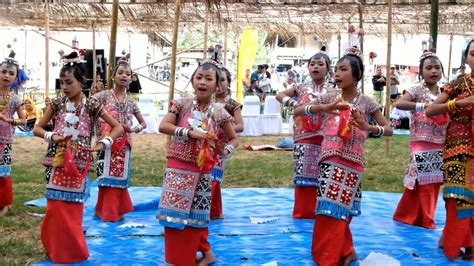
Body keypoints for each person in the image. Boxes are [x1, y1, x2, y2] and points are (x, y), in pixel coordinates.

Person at [295, 47, 393, 265]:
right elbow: (297, 111)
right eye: (336, 70)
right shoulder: (330, 97)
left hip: (354, 161)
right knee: (328, 208)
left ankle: (346, 251)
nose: (337, 74)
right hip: (329, 157)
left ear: (356, 75)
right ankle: (327, 256)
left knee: (342, 211)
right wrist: (326, 106)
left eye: (343, 69)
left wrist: (368, 127)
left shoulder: (367, 102)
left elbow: (390, 128)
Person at [33, 51, 123, 264]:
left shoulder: (92, 105)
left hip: (80, 163)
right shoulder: (56, 104)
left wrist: (103, 143)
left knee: (73, 210)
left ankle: (71, 251)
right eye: (62, 82)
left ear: (82, 82)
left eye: (69, 82)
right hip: (56, 160)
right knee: (55, 208)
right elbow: (36, 128)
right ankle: (54, 246)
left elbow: (117, 127)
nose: (64, 87)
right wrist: (52, 136)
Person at [157, 62, 239, 265]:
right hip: (177, 166)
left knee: (197, 217)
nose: (202, 82)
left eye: (208, 79)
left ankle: (203, 253)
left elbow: (234, 138)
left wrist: (225, 151)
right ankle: (181, 257)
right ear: (193, 80)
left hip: (202, 170)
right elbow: (163, 126)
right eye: (199, 77)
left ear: (218, 86)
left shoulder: (220, 112)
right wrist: (190, 133)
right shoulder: (181, 103)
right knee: (173, 216)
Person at [425, 39, 474, 261]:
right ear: (467, 58)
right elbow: (431, 110)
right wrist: (458, 104)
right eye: (473, 53)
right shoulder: (459, 83)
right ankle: (460, 242)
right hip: (457, 146)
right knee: (456, 195)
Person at [392, 51, 447, 229]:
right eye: (429, 68)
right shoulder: (416, 89)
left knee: (434, 181)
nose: (433, 71)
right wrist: (423, 106)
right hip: (421, 141)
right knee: (422, 180)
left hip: (440, 140)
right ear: (421, 72)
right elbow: (399, 103)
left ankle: (410, 215)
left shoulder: (445, 91)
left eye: (437, 68)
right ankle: (425, 219)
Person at [276, 48, 333, 219]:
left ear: (328, 68)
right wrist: (291, 102)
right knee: (303, 172)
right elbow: (280, 94)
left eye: (320, 64)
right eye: (312, 64)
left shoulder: (333, 89)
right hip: (303, 136)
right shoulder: (300, 87)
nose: (315, 67)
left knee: (325, 173)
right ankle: (304, 211)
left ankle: (323, 210)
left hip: (326, 136)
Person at [93, 61, 147, 222]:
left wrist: (133, 129)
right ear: (113, 76)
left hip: (124, 144)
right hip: (106, 142)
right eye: (121, 73)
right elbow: (89, 105)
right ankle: (105, 210)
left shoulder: (131, 102)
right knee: (105, 176)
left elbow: (143, 123)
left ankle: (112, 210)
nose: (124, 76)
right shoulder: (103, 96)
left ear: (132, 79)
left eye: (128, 74)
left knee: (119, 177)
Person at [210, 65, 244, 220]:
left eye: (222, 79)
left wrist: (224, 127)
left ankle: (214, 211)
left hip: (220, 145)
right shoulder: (204, 100)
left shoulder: (232, 104)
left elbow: (240, 126)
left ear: (229, 82)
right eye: (216, 79)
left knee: (214, 177)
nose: (219, 83)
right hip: (203, 143)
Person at [0, 57, 26, 216]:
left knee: (3, 172)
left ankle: (5, 204)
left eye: (11, 73)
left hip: (5, 139)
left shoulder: (15, 98)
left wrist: (11, 120)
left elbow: (24, 119)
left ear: (16, 78)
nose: (6, 75)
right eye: (3, 71)